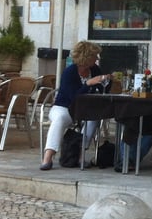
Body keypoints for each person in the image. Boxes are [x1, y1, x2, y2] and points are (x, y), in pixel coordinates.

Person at [41, 40, 108, 170]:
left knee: (93, 119)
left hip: (85, 109)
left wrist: (107, 81)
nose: (97, 58)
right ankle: (47, 157)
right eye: (95, 55)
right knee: (60, 119)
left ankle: (80, 154)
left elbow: (102, 90)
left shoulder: (95, 70)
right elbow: (73, 98)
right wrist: (87, 84)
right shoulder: (69, 72)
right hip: (65, 107)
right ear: (86, 56)